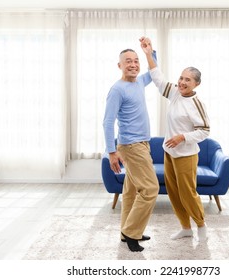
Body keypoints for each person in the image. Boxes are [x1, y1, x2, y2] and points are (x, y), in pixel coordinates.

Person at [141, 37, 210, 242]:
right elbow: (158, 78)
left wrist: (183, 137)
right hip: (169, 152)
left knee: (187, 193)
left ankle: (201, 225)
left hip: (186, 155)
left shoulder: (196, 103)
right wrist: (148, 54)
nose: (182, 82)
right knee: (173, 193)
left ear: (196, 83)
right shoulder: (175, 93)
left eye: (187, 80)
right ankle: (185, 227)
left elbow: (205, 130)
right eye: (181, 78)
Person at [102, 40, 159, 252]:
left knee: (131, 191)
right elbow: (107, 122)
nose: (133, 65)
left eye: (136, 61)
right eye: (128, 61)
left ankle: (126, 232)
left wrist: (149, 52)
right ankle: (131, 232)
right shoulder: (117, 89)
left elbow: (154, 70)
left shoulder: (138, 83)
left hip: (142, 143)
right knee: (151, 188)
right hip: (131, 146)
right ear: (120, 65)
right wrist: (111, 152)